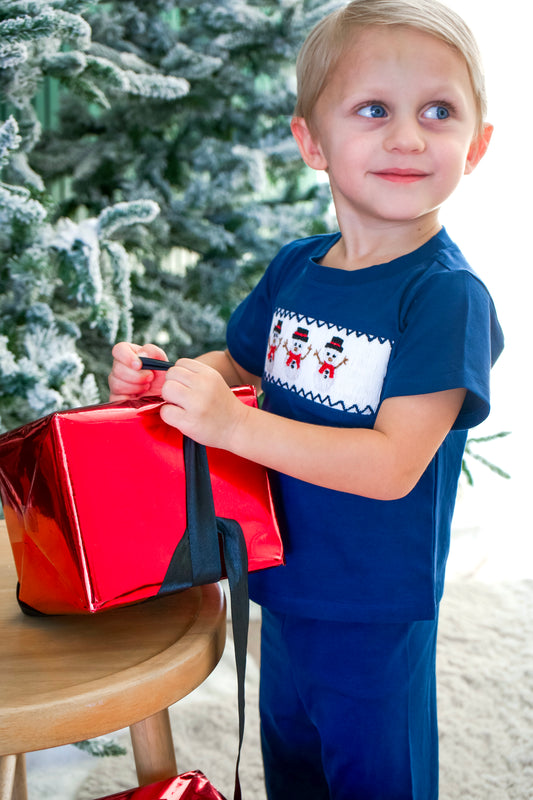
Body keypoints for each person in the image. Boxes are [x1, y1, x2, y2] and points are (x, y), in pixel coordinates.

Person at [108, 1, 504, 797]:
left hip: (370, 604)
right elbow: (240, 362)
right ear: (311, 143)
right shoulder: (298, 267)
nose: (406, 136)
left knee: (371, 772)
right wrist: (175, 381)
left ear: (476, 147)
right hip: (278, 573)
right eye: (372, 110)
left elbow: (393, 465)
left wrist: (234, 425)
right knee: (291, 757)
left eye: (438, 111)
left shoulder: (442, 297)